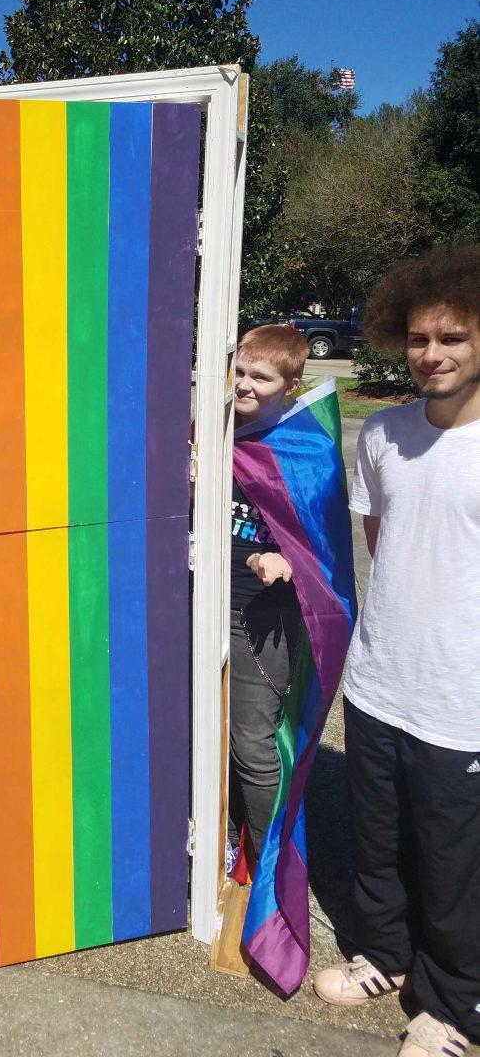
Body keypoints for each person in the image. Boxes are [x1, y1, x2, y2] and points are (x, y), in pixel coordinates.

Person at [314, 250, 480, 1057]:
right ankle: (383, 955)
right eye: (418, 337)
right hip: (380, 682)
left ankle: (453, 1006)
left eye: (453, 336)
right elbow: (381, 537)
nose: (432, 353)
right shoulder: (380, 434)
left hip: (464, 701)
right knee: (375, 843)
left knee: (454, 869)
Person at [227, 325, 308, 865]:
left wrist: (282, 558)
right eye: (239, 371)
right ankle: (224, 835)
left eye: (262, 376)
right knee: (200, 725)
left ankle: (267, 863)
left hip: (262, 613)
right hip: (199, 597)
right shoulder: (211, 430)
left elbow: (320, 544)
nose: (246, 384)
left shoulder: (301, 447)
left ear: (291, 384)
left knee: (253, 740)